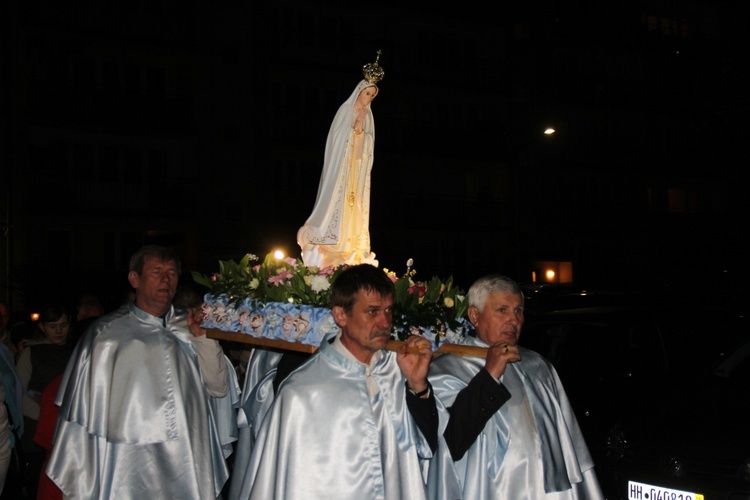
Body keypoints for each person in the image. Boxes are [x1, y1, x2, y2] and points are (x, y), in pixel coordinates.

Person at [234, 264, 441, 499]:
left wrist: (418, 387)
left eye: (388, 311)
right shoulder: (301, 392)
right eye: (372, 311)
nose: (385, 323)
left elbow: (426, 448)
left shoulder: (398, 370)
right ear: (341, 315)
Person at [46, 245, 236, 498]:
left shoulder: (192, 326)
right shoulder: (106, 335)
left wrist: (204, 339)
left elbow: (218, 387)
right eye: (156, 271)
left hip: (187, 455)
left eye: (171, 273)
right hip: (127, 461)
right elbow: (83, 413)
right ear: (134, 279)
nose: (166, 279)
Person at [428, 274, 604, 499]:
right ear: (474, 315)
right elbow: (450, 442)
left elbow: (568, 444)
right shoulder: (448, 369)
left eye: (518, 311)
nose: (513, 320)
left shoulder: (537, 365)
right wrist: (490, 375)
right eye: (502, 310)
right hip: (490, 490)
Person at [297, 53, 384, 269]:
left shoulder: (369, 115)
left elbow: (368, 144)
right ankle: (329, 244)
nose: (369, 98)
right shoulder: (346, 110)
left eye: (373, 95)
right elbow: (337, 139)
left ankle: (351, 246)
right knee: (337, 203)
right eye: (367, 93)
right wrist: (354, 130)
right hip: (343, 169)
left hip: (356, 169)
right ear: (359, 92)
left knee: (354, 209)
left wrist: (362, 133)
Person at [15, 305, 72, 498]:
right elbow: (19, 392)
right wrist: (45, 413)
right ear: (42, 327)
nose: (58, 331)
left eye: (63, 325)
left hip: (66, 433)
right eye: (52, 326)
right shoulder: (31, 353)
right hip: (37, 432)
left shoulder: (76, 352)